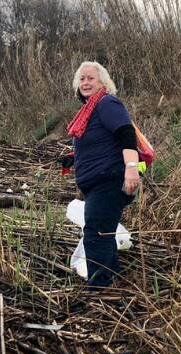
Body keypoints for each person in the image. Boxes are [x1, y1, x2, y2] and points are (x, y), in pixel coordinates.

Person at [65, 61, 140, 290]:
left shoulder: (106, 103)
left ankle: (97, 289)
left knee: (96, 232)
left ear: (103, 83)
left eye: (91, 78)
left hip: (109, 180)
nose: (85, 82)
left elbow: (126, 134)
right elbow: (100, 143)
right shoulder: (89, 110)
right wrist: (72, 160)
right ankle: (110, 282)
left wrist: (131, 168)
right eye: (82, 79)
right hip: (98, 182)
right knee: (104, 232)